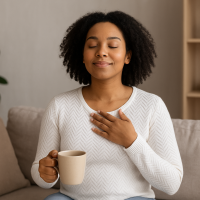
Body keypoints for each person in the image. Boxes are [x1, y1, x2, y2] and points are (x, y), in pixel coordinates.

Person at [31, 11, 183, 200]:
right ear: (82, 56)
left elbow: (172, 184)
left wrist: (132, 142)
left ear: (127, 56)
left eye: (112, 45)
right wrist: (45, 173)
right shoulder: (60, 106)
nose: (101, 51)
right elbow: (40, 171)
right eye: (92, 45)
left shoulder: (152, 105)